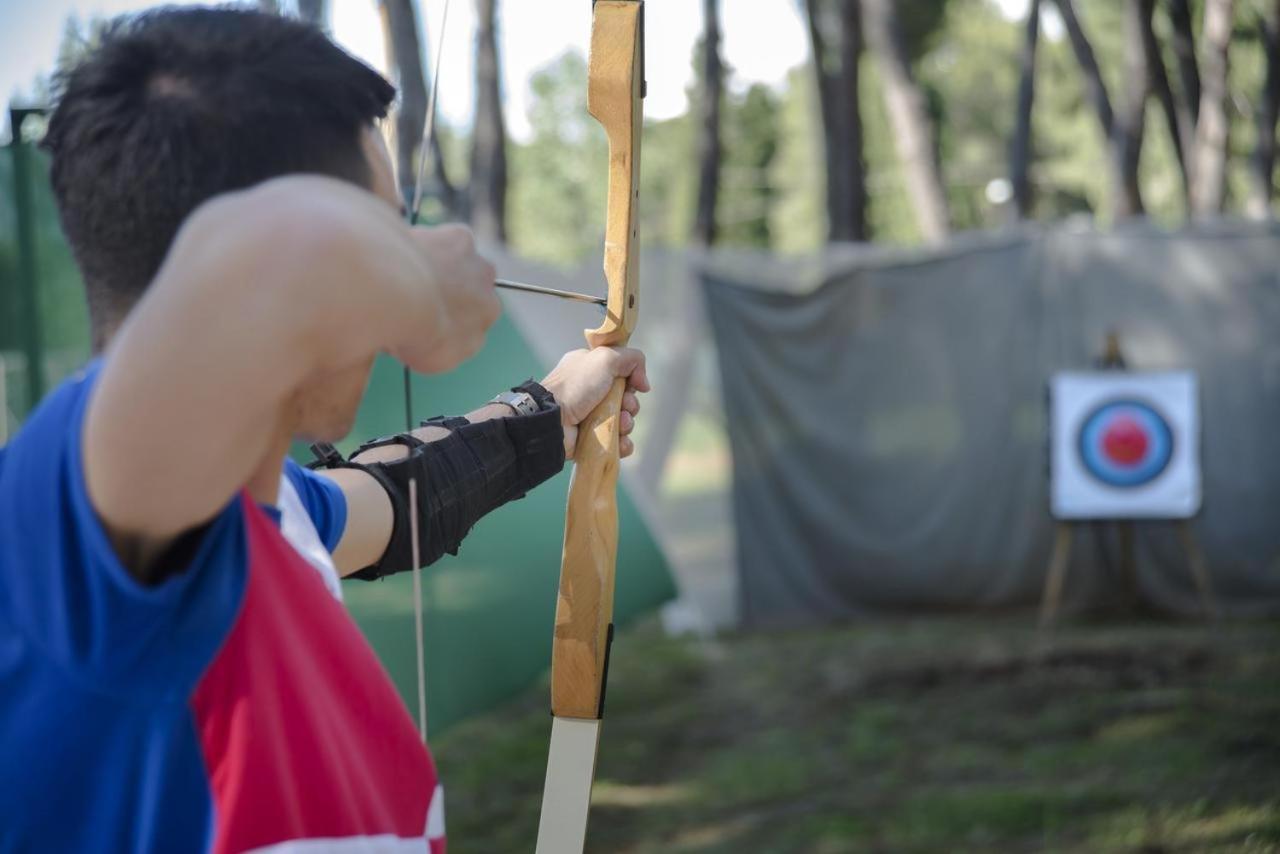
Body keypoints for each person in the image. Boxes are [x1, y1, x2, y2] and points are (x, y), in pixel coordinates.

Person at [0, 7, 649, 852]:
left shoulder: (266, 516)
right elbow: (254, 250)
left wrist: (552, 410)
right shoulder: (71, 534)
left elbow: (398, 495)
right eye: (378, 232)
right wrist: (416, 278)